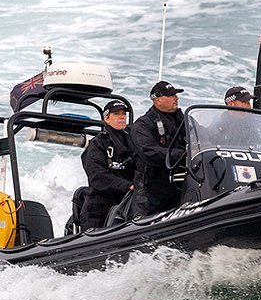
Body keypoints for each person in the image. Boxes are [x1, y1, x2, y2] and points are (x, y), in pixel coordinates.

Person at [130, 80, 186, 217]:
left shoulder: (184, 121)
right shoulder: (143, 125)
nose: (176, 98)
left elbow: (202, 138)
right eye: (171, 95)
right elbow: (149, 151)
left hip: (179, 185)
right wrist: (183, 155)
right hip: (150, 190)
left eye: (176, 95)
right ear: (158, 100)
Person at [79, 99, 134, 230]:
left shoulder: (133, 141)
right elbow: (97, 176)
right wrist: (128, 186)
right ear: (107, 118)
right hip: (98, 210)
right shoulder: (97, 144)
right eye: (117, 114)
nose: (121, 117)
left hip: (126, 205)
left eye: (123, 114)